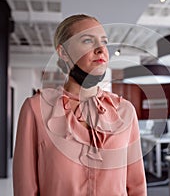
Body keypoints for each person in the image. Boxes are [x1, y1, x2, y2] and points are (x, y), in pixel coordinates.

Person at [13, 14, 147, 196]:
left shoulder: (125, 111)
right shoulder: (36, 109)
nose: (101, 49)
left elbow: (137, 187)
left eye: (104, 42)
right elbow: (25, 189)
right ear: (63, 52)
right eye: (87, 41)